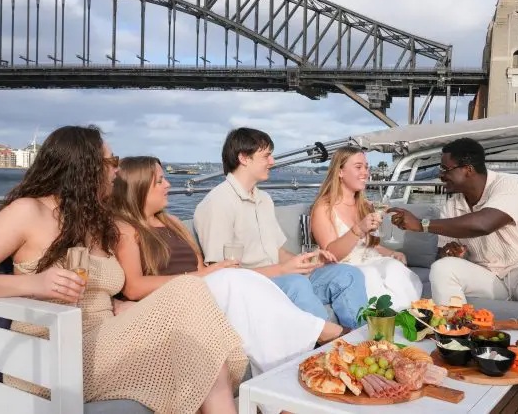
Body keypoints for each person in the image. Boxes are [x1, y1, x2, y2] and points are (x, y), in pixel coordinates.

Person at [0, 126, 247, 414]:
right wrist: (34, 284)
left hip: (104, 341)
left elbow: (105, 287)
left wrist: (120, 303)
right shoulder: (29, 211)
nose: (117, 170)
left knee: (200, 350)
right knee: (189, 296)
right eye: (110, 161)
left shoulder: (95, 223)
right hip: (53, 351)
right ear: (84, 167)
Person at [388, 137, 518, 414]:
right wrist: (450, 252)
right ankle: (457, 351)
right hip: (488, 275)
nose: (440, 174)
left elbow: (485, 223)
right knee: (442, 269)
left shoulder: (511, 184)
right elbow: (443, 259)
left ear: (468, 169)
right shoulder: (450, 206)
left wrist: (422, 224)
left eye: (445, 168)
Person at [111, 156, 350, 374]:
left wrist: (211, 272)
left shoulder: (172, 222)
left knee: (241, 278)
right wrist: (202, 276)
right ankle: (324, 334)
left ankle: (297, 370)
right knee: (232, 278)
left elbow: (200, 270)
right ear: (138, 186)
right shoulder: (126, 229)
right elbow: (133, 287)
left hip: (197, 293)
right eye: (160, 181)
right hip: (172, 302)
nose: (168, 185)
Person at [194, 127, 368, 329]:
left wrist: (309, 261)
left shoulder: (264, 199)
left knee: (347, 273)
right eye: (266, 156)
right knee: (297, 283)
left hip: (281, 277)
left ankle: (361, 341)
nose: (272, 162)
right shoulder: (217, 203)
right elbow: (224, 276)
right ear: (244, 158)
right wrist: (283, 270)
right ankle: (330, 347)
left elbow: (278, 251)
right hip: (252, 287)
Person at [310, 146, 422, 310]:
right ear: (340, 172)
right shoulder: (323, 208)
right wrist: (358, 229)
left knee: (394, 268)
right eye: (358, 167)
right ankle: (389, 323)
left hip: (371, 259)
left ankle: (412, 317)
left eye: (366, 167)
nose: (365, 172)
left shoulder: (364, 205)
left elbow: (370, 245)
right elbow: (331, 254)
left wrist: (392, 253)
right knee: (370, 275)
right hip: (346, 267)